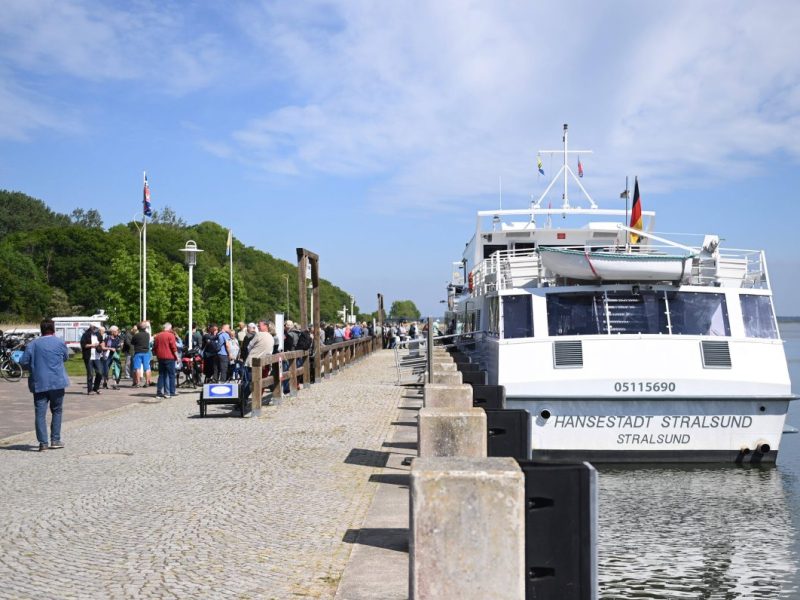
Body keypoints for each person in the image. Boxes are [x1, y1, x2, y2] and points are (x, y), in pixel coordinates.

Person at [19, 319, 70, 451]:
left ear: (41, 329)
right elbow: (65, 357)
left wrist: (33, 366)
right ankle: (55, 440)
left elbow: (24, 361)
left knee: (40, 413)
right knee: (57, 411)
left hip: (39, 382)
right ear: (53, 329)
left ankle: (43, 443)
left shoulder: (33, 344)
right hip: (57, 382)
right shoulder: (60, 342)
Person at [153, 322, 178, 399]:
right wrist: (177, 357)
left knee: (161, 375)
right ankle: (171, 392)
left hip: (160, 357)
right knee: (171, 375)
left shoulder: (157, 336)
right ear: (170, 328)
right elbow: (173, 348)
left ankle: (159, 392)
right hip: (170, 357)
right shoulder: (171, 335)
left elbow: (155, 348)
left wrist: (157, 355)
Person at [79, 324, 103, 394]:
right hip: (88, 356)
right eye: (95, 328)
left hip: (97, 356)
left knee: (100, 372)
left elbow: (102, 342)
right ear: (91, 327)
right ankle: (90, 390)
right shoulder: (86, 335)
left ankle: (96, 388)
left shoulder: (98, 334)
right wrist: (93, 345)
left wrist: (101, 346)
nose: (96, 329)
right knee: (90, 374)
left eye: (97, 328)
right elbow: (83, 345)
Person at [131, 321, 152, 387]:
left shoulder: (136, 335)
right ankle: (147, 382)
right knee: (147, 368)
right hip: (146, 352)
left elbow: (132, 343)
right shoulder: (147, 335)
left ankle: (138, 383)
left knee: (137, 368)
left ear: (138, 328)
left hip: (138, 352)